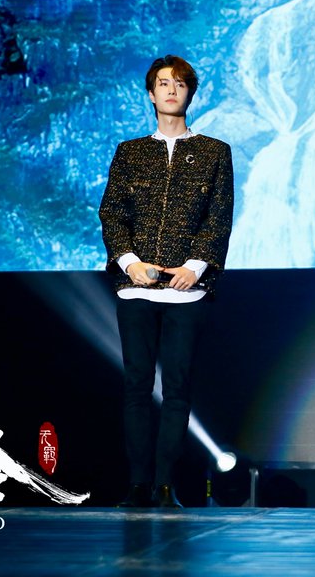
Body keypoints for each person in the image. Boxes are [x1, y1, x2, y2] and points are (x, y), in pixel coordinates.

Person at [99, 54, 234, 509]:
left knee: (177, 390)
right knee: (137, 387)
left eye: (179, 83)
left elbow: (219, 216)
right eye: (163, 83)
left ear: (190, 92)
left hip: (187, 290)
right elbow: (112, 213)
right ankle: (138, 484)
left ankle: (164, 484)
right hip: (136, 287)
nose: (171, 90)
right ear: (150, 94)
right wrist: (129, 262)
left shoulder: (214, 151)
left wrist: (195, 266)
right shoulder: (130, 151)